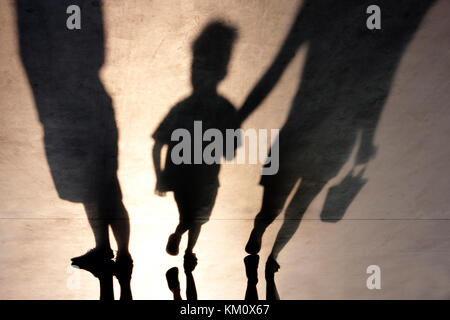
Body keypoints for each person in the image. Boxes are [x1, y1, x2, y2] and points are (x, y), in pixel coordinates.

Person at [152, 21, 239, 268]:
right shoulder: (184, 110)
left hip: (208, 180)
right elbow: (158, 144)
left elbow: (230, 153)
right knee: (191, 217)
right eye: (196, 67)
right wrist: (160, 176)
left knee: (198, 219)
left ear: (221, 72)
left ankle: (187, 247)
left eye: (206, 68)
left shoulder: (224, 110)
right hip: (182, 180)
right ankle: (183, 242)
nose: (198, 75)